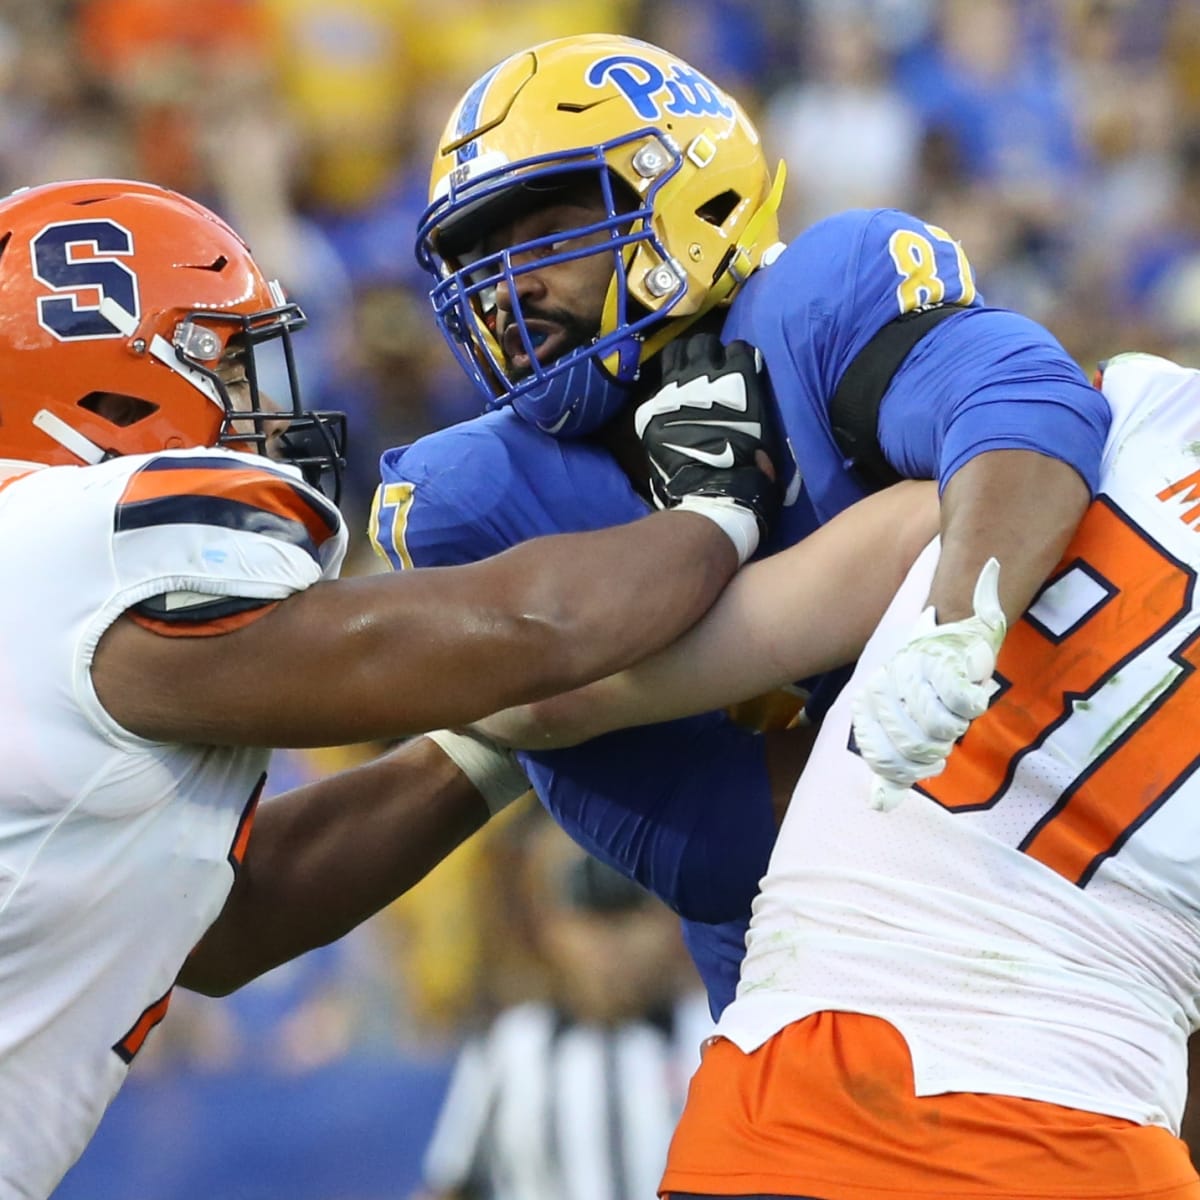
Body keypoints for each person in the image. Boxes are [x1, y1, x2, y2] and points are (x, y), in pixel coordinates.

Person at [0, 177, 782, 1200]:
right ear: (110, 389)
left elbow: (225, 923)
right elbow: (537, 628)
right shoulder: (80, 539)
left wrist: (494, 739)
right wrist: (713, 507)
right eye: (230, 363)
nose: (264, 408)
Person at [372, 31, 1108, 1012]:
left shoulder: (815, 301)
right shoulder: (488, 491)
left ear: (684, 197)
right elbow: (707, 842)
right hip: (819, 1000)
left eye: (540, 232)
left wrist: (954, 627)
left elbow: (1033, 411)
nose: (508, 289)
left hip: (1086, 879)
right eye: (477, 257)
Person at [478, 350, 1200, 1198]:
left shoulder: (1102, 412)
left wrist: (712, 522)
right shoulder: (1092, 415)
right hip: (1080, 1136)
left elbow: (553, 702)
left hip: (797, 1099)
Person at [417, 807, 711, 1200]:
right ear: (547, 924)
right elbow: (453, 1185)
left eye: (628, 907)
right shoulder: (509, 1048)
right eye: (585, 910)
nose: (608, 942)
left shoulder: (715, 1037)